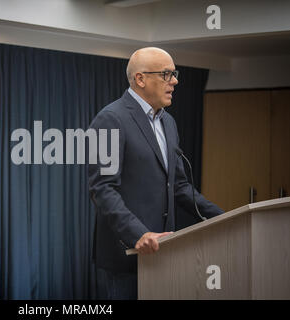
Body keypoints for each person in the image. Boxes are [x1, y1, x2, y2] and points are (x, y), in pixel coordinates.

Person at [88, 47, 224, 300]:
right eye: (166, 74)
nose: (175, 81)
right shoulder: (109, 119)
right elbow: (103, 189)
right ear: (140, 79)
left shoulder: (168, 122)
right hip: (128, 255)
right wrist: (138, 233)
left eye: (174, 74)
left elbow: (180, 186)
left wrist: (222, 217)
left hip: (165, 251)